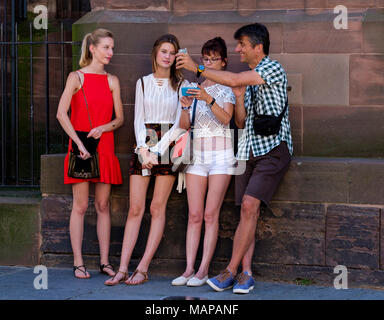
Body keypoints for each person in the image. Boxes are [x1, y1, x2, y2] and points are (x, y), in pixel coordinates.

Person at [176, 23, 293, 294]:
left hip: (272, 150)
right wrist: (239, 99)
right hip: (246, 153)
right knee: (245, 212)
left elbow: (233, 81)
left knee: (250, 206)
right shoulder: (248, 79)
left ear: (258, 47)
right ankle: (246, 273)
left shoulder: (272, 68)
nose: (238, 49)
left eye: (242, 44)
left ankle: (232, 270)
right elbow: (239, 123)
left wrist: (197, 68)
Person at [105, 34, 186, 286]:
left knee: (156, 208)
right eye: (164, 51)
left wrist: (159, 150)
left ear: (176, 57)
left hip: (168, 145)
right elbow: (138, 118)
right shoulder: (142, 83)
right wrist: (143, 150)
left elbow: (178, 124)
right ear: (155, 53)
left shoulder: (182, 84)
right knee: (136, 208)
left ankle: (142, 268)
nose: (167, 56)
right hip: (143, 145)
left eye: (172, 53)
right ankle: (121, 269)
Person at [56, 28, 124, 279]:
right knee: (81, 206)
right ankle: (78, 262)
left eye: (112, 48)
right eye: (106, 47)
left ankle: (105, 262)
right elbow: (61, 114)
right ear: (92, 48)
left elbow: (120, 118)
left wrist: (104, 127)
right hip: (81, 147)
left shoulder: (112, 80)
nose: (111, 52)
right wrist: (79, 144)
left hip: (105, 146)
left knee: (104, 205)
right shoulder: (76, 77)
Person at [171, 37, 236, 287]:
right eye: (205, 59)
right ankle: (188, 269)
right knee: (195, 214)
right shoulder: (192, 87)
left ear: (223, 62)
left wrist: (208, 98)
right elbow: (184, 127)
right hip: (197, 155)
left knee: (211, 214)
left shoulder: (227, 88)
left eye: (213, 59)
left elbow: (226, 119)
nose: (209, 63)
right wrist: (186, 107)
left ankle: (203, 270)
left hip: (221, 156)